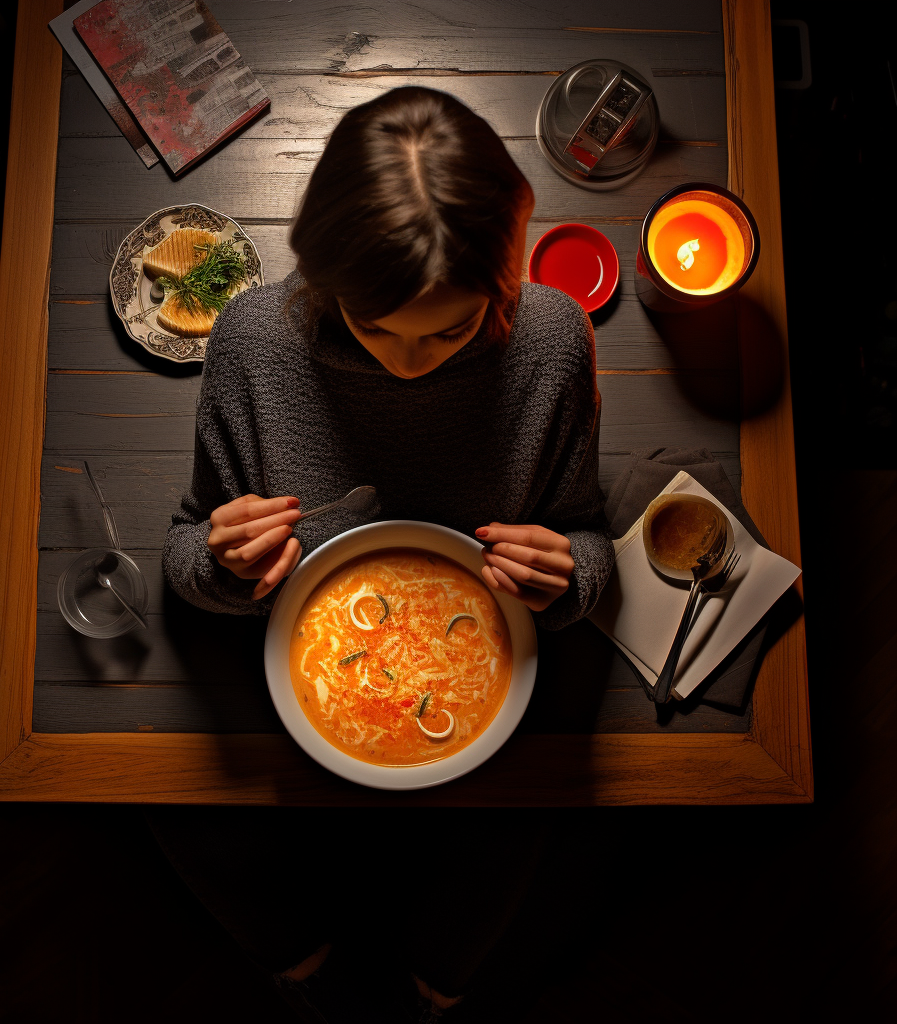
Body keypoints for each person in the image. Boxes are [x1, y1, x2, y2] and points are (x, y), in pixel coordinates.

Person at [151, 87, 613, 1023]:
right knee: (166, 803)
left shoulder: (553, 342)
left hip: (485, 675)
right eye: (376, 327)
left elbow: (588, 532)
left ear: (507, 280)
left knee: (529, 829)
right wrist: (220, 563)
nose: (412, 362)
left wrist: (572, 576)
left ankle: (433, 987)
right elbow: (189, 543)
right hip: (288, 670)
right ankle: (313, 967)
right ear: (322, 279)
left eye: (450, 329)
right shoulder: (251, 342)